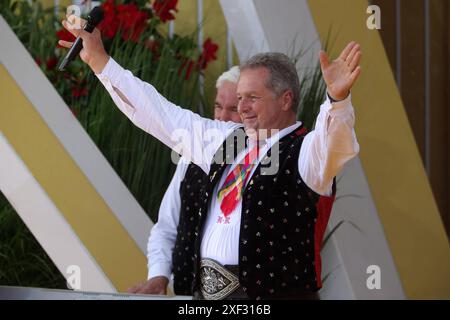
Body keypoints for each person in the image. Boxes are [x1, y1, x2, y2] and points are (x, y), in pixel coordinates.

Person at [58, 19, 361, 300]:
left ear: (285, 99)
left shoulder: (307, 152)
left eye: (252, 98)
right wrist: (100, 62)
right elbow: (160, 115)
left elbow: (333, 141)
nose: (242, 108)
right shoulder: (227, 139)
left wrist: (336, 101)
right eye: (239, 97)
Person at [127, 66, 242, 296]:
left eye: (233, 109)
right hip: (184, 293)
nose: (222, 117)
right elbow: (166, 228)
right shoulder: (189, 159)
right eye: (218, 106)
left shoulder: (263, 164)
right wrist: (158, 277)